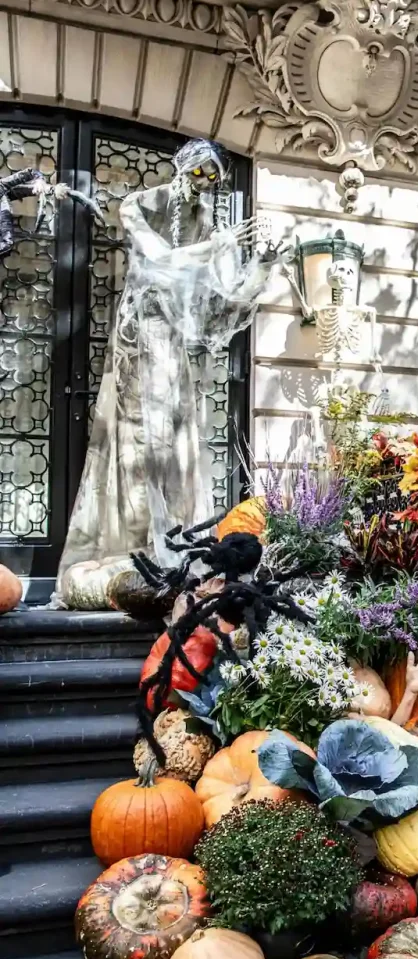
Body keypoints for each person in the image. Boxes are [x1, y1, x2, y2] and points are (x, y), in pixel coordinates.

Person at [54, 140, 278, 608]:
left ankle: (175, 551)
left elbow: (223, 308)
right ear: (182, 170)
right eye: (199, 174)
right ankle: (136, 549)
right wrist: (217, 246)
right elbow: (158, 261)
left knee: (175, 450)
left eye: (213, 180)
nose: (204, 187)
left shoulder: (208, 225)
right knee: (145, 446)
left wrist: (261, 266)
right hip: (143, 337)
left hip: (173, 351)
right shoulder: (138, 205)